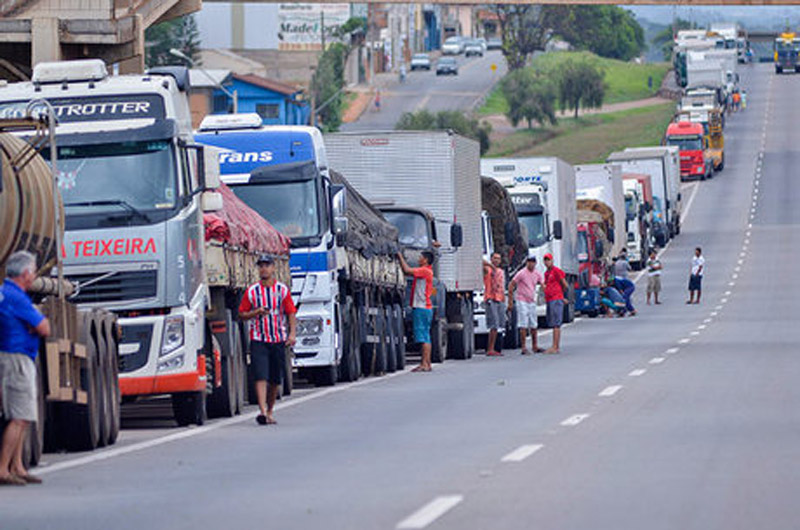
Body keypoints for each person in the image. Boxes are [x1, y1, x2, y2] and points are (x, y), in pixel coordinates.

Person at [0, 251, 50, 486]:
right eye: (33, 271)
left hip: (13, 356)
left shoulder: (5, 293)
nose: (34, 276)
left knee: (23, 414)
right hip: (17, 358)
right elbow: (44, 328)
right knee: (20, 416)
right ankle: (3, 468)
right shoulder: (17, 297)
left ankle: (17, 466)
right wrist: (35, 326)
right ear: (26, 274)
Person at [239, 255, 296, 425]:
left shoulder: (282, 290)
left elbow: (290, 312)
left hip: (278, 339)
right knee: (260, 375)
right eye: (261, 266)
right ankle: (262, 411)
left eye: (267, 265)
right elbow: (242, 314)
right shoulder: (252, 291)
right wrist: (255, 313)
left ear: (273, 268)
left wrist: (292, 334)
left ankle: (270, 410)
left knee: (274, 379)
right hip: (259, 339)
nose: (264, 269)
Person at [398, 250, 435, 372]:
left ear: (426, 260)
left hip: (421, 307)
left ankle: (424, 363)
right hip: (425, 307)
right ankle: (427, 363)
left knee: (423, 337)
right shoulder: (427, 271)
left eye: (421, 257)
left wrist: (399, 257)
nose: (419, 259)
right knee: (426, 336)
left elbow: (407, 270)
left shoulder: (424, 271)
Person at [508, 252, 545, 355]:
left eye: (533, 262)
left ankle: (535, 346)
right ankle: (523, 347)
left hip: (531, 300)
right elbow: (511, 285)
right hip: (522, 300)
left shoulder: (537, 273)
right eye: (529, 262)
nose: (531, 264)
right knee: (523, 323)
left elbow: (542, 284)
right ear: (526, 262)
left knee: (534, 323)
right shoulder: (521, 273)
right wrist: (511, 300)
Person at [543, 253, 569, 354]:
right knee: (552, 322)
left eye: (548, 260)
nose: (547, 262)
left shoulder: (556, 271)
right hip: (549, 299)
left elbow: (565, 284)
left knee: (556, 324)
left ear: (552, 261)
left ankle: (555, 346)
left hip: (556, 298)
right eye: (545, 260)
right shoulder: (546, 273)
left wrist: (561, 296)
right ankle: (554, 345)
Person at [483, 252, 506, 356]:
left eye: (498, 259)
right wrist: (490, 265)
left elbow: (502, 285)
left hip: (500, 298)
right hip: (490, 298)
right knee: (494, 325)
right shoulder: (487, 270)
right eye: (494, 258)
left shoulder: (501, 271)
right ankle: (490, 348)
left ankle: (495, 347)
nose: (496, 260)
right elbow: (480, 262)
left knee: (499, 325)